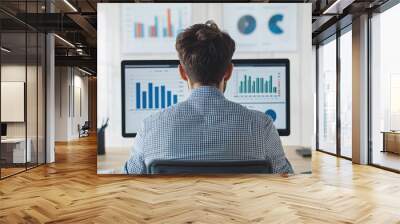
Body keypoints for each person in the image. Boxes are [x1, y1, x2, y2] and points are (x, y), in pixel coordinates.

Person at [124, 21, 293, 174]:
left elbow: (127, 181)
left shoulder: (150, 127)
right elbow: (286, 180)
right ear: (228, 71)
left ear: (182, 72)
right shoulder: (262, 126)